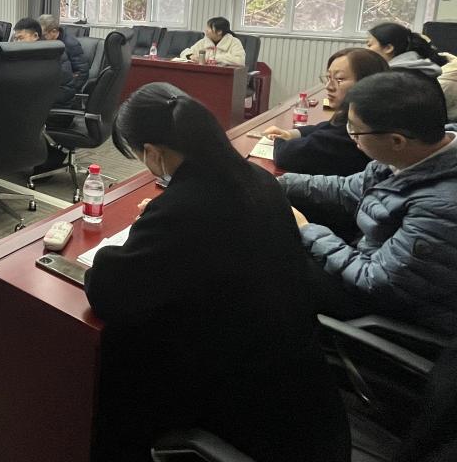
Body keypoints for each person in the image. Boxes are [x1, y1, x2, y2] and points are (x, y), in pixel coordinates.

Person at [85, 83, 350, 462]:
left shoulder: (185, 208)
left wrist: (137, 236)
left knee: (116, 365)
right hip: (301, 389)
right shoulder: (257, 179)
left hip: (242, 405)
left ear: (153, 153)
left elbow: (108, 291)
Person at [281, 71, 457, 336]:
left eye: (355, 129)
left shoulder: (441, 207)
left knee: (269, 263)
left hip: (390, 310)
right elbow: (345, 189)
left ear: (396, 141)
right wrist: (276, 182)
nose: (351, 136)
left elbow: (373, 280)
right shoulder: (409, 157)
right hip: (372, 268)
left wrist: (307, 229)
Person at [262, 47, 389, 176]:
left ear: (366, 83)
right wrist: (291, 133)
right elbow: (328, 126)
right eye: (328, 78)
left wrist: (278, 139)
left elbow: (286, 155)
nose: (328, 86)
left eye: (339, 79)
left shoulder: (356, 132)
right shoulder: (368, 115)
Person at [14, 17, 77, 106]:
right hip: (42, 102)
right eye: (15, 39)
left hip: (58, 105)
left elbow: (64, 91)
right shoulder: (29, 53)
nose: (17, 42)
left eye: (21, 38)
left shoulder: (51, 53)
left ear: (35, 36)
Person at [366, 22, 446, 77]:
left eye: (370, 45)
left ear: (388, 48)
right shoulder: (415, 70)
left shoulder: (393, 78)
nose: (366, 49)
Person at [38, 14, 88, 97]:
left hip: (65, 91)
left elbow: (82, 73)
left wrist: (69, 91)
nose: (41, 39)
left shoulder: (71, 44)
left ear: (54, 31)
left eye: (43, 35)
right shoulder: (48, 43)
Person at [179, 16, 245, 66]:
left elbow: (240, 61)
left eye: (209, 28)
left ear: (219, 32)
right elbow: (185, 52)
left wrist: (215, 58)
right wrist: (190, 56)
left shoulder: (234, 42)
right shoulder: (204, 41)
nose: (206, 30)